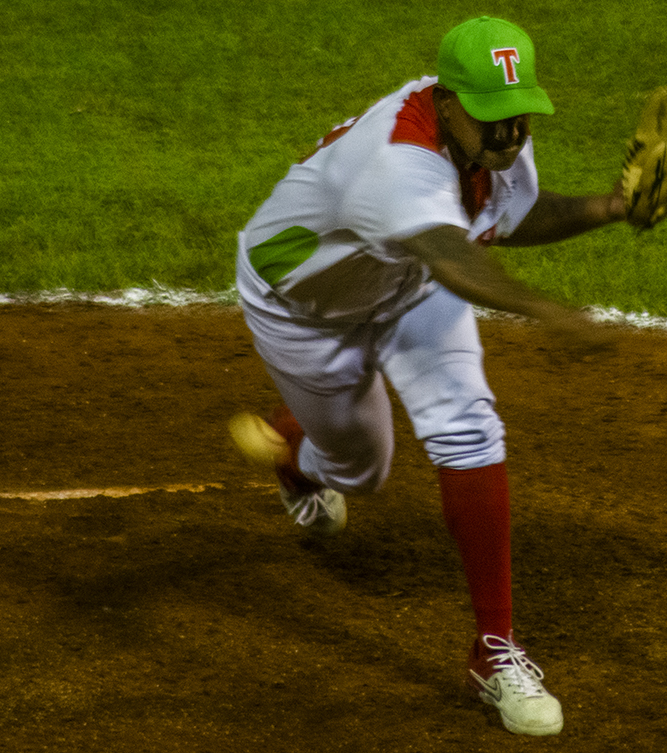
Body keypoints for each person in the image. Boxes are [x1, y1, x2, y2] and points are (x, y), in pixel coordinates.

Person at [230, 16, 626, 736]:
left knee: (468, 423)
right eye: (493, 120)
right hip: (303, 309)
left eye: (520, 116)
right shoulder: (397, 162)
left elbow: (513, 216)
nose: (511, 137)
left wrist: (614, 206)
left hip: (406, 281)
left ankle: (494, 652)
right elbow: (455, 257)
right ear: (445, 102)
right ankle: (296, 451)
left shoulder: (494, 141)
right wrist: (550, 312)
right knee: (363, 468)